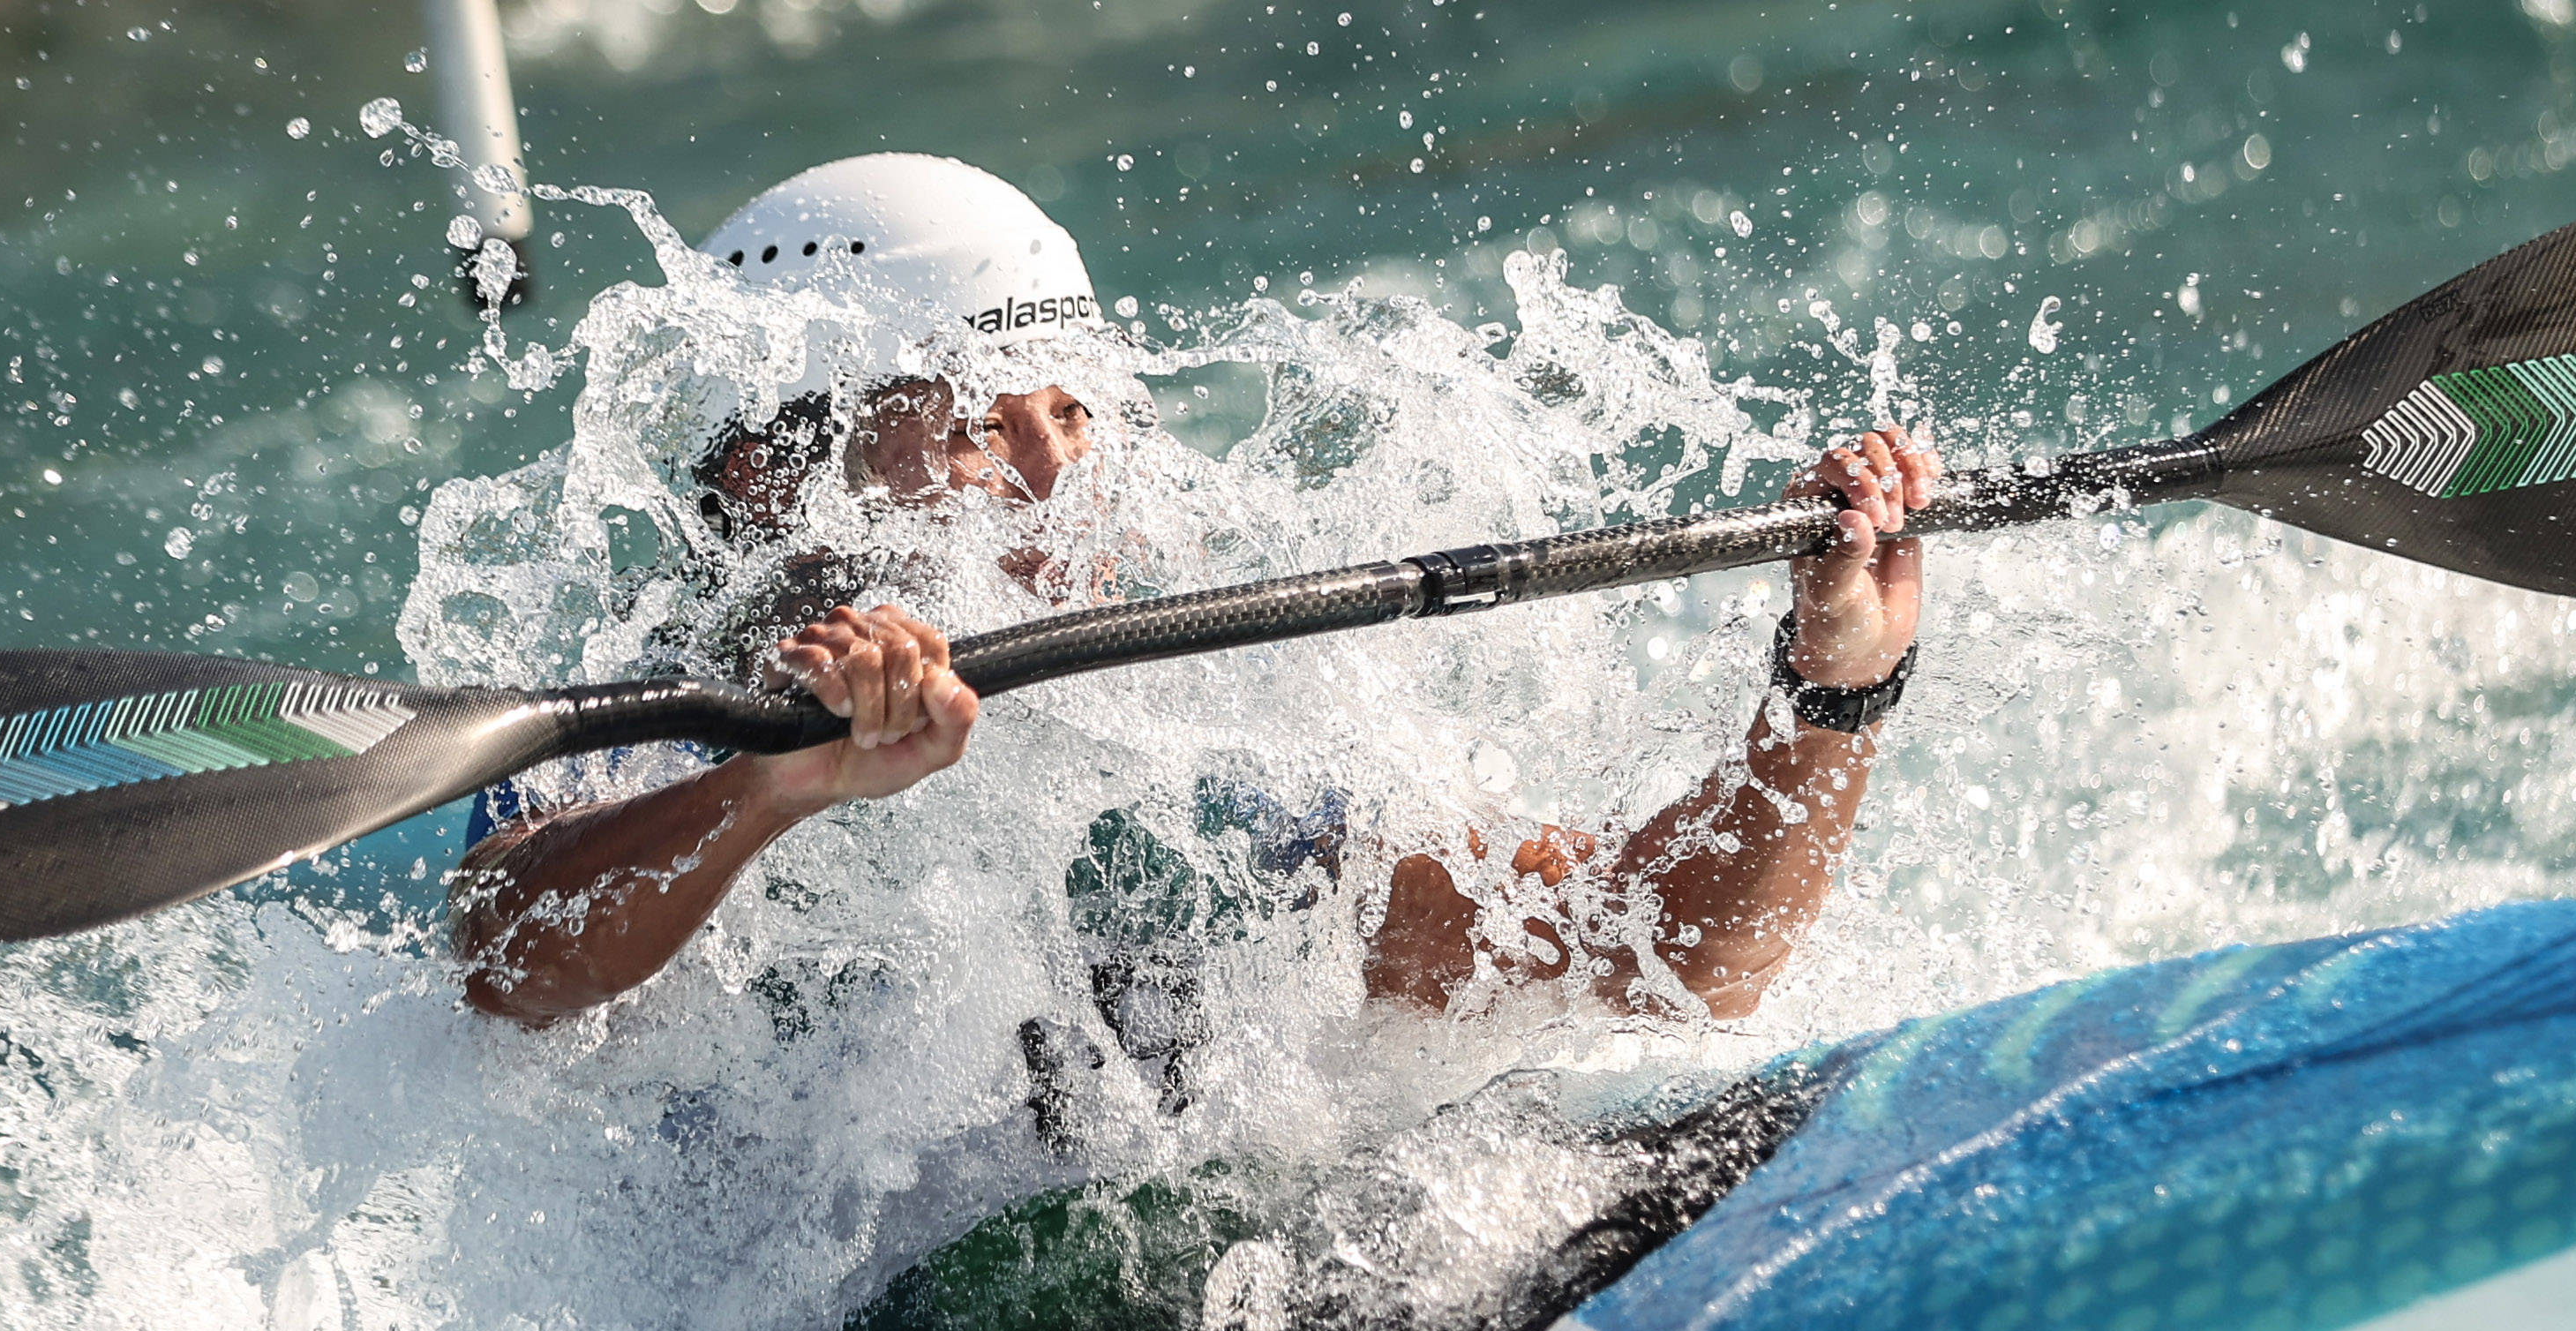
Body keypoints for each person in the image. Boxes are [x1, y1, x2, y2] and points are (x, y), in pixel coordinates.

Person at [451, 152, 1943, 1040]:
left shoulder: (1166, 779)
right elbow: (508, 961)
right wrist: (779, 788)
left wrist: (1835, 694)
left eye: (1076, 412)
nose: (1058, 475)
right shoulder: (629, 719)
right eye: (976, 420)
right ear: (776, 479)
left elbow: (1665, 950)